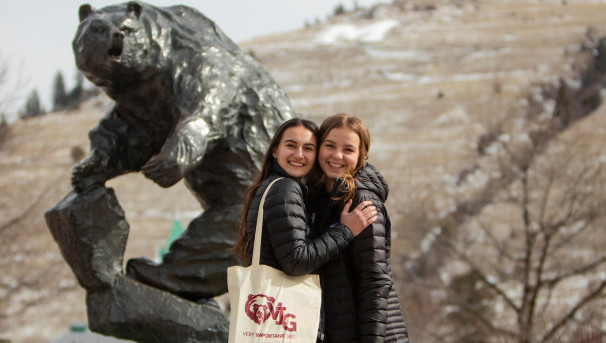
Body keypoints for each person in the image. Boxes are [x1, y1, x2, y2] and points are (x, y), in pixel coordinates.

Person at [307, 113, 409, 343]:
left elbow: (375, 283)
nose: (337, 156)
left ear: (361, 156)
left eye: (348, 150)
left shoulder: (362, 201)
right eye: (329, 146)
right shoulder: (319, 198)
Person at [233, 117, 377, 279]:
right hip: (283, 301)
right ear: (275, 151)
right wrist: (345, 231)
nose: (299, 155)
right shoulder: (285, 189)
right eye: (291, 146)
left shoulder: (272, 185)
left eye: (308, 148)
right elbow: (296, 262)